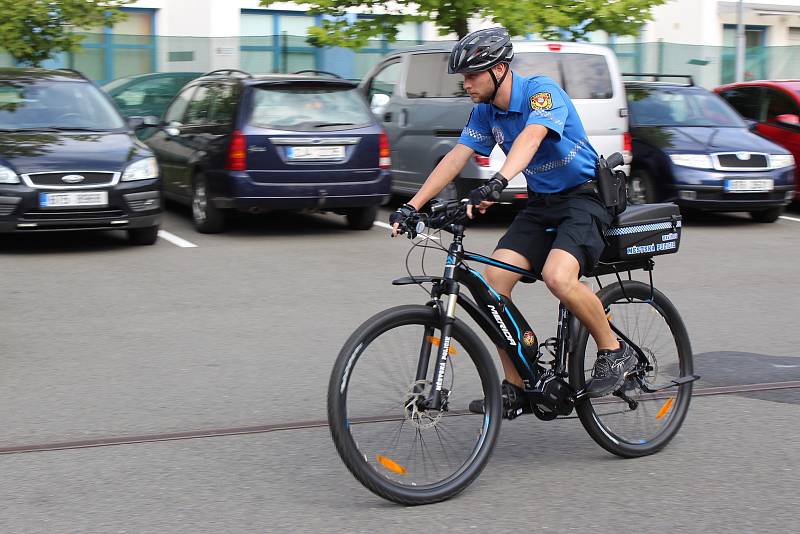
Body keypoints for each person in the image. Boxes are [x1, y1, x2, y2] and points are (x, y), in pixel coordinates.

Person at [389, 27, 636, 417]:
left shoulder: (541, 92)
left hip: (585, 199)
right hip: (543, 203)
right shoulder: (485, 111)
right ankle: (517, 386)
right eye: (464, 77)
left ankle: (614, 351)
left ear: (500, 70)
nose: (465, 84)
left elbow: (533, 137)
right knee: (491, 289)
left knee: (558, 277)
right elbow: (457, 155)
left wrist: (498, 181)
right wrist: (413, 205)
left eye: (472, 75)